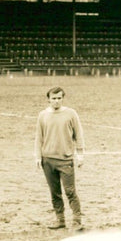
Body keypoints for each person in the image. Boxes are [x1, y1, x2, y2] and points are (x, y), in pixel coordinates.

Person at [34, 86, 85, 230]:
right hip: (48, 160)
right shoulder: (42, 115)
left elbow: (78, 135)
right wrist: (38, 156)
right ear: (48, 99)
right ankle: (60, 219)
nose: (56, 101)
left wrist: (80, 154)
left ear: (63, 98)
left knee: (70, 191)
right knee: (54, 192)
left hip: (65, 160)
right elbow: (39, 137)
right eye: (53, 99)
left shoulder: (71, 114)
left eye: (59, 98)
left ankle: (77, 220)